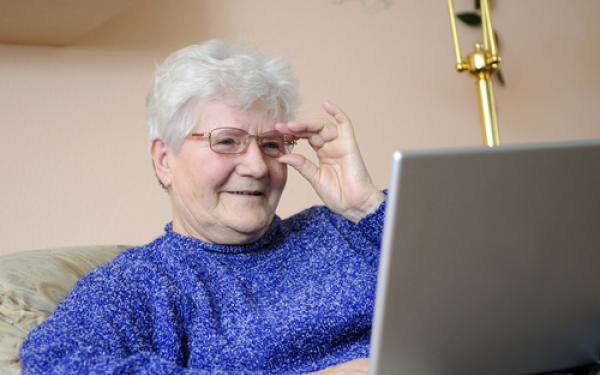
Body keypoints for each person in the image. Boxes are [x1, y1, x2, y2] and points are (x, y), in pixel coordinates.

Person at [19, 39, 386, 375]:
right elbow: (53, 360)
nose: (257, 166)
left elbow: (443, 283)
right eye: (227, 141)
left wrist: (365, 205)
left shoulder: (348, 227)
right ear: (165, 159)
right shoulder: (142, 283)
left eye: (272, 145)